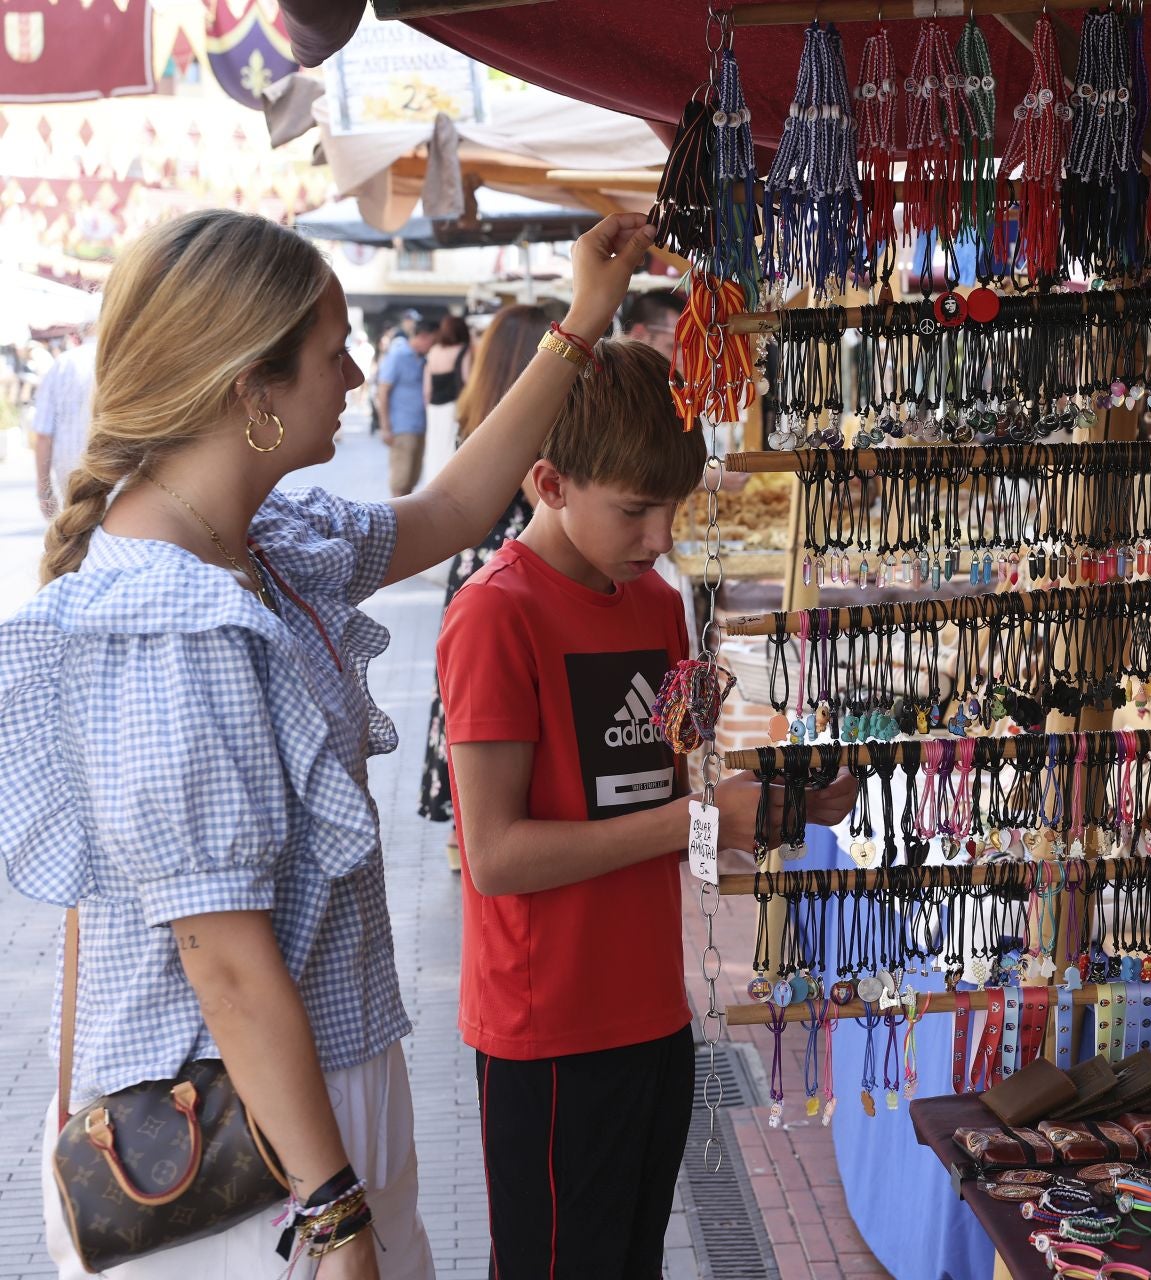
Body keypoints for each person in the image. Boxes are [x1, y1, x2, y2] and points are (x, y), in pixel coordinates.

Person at [0, 206, 656, 1279]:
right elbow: (229, 962)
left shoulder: (260, 546)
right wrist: (337, 1213)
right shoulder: (169, 620)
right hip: (235, 1146)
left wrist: (583, 318)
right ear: (250, 389)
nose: (354, 375)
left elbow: (450, 505)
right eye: (331, 350)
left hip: (303, 1107)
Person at [437, 337, 855, 1278]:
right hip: (547, 1029)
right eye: (634, 510)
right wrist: (700, 823)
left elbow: (688, 779)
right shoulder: (494, 614)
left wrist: (787, 798)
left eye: (673, 508)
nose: (660, 536)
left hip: (652, 1012)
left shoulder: (657, 603)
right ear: (549, 482)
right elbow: (494, 855)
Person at [417, 304, 549, 870]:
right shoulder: (530, 420)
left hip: (473, 560)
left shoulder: (482, 410)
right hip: (514, 560)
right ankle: (483, 826)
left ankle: (460, 827)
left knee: (465, 693)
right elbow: (544, 501)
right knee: (501, 694)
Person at [32, 329, 96, 517]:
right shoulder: (125, 360)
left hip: (70, 475)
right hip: (120, 478)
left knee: (75, 538)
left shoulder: (64, 363)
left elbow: (43, 433)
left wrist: (44, 491)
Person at [376, 324, 434, 496]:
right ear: (422, 336)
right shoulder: (398, 356)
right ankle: (396, 521)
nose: (432, 345)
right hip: (402, 427)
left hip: (419, 426)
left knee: (411, 481)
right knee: (400, 482)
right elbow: (383, 391)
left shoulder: (422, 360)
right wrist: (385, 427)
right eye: (431, 340)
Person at [419, 314, 472, 486]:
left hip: (434, 408)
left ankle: (432, 484)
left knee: (434, 447)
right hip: (453, 405)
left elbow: (427, 389)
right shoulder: (463, 349)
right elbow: (467, 379)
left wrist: (428, 406)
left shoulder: (433, 351)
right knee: (451, 445)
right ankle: (449, 485)